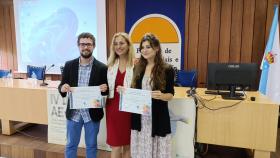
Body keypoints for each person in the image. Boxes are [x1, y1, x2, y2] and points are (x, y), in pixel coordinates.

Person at [58, 32, 108, 158]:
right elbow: (62, 85)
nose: (85, 47)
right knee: (70, 145)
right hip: (74, 113)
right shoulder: (69, 65)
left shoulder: (102, 67)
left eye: (89, 44)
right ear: (78, 46)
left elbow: (106, 91)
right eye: (83, 44)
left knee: (91, 146)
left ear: (94, 46)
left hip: (92, 114)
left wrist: (104, 89)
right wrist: (63, 88)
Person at [130, 33, 174, 158]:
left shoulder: (167, 69)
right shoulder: (137, 68)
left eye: (148, 47)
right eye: (142, 47)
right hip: (140, 118)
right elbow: (135, 91)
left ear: (157, 48)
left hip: (158, 117)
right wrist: (125, 92)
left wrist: (162, 95)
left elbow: (170, 94)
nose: (144, 50)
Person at [106, 32, 135, 158]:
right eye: (116, 44)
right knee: (116, 145)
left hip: (130, 109)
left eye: (122, 43)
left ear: (128, 45)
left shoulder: (137, 65)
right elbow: (103, 86)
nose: (118, 46)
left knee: (128, 145)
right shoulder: (109, 65)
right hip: (113, 108)